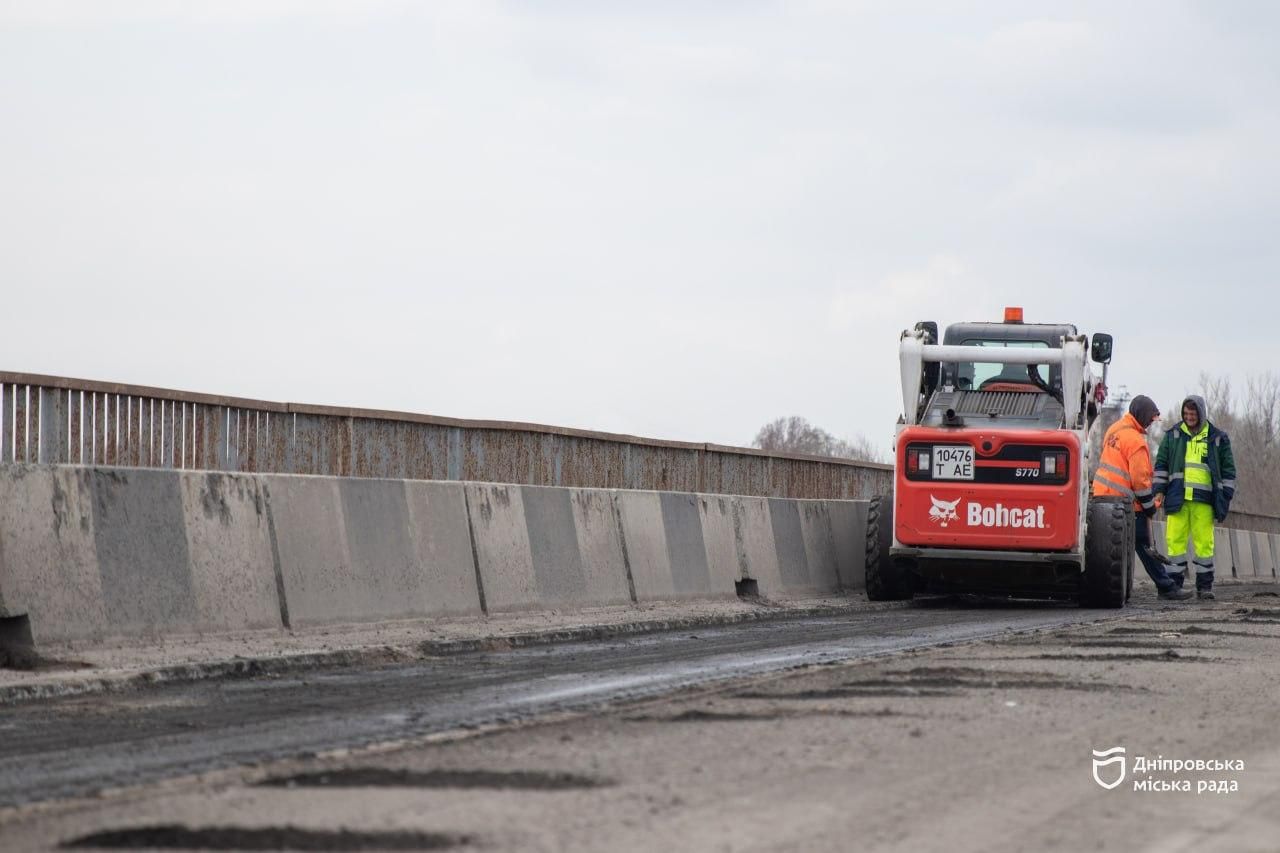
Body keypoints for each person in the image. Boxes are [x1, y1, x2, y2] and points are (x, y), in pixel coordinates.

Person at [1093, 395, 1192, 601]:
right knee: (1145, 545)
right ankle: (1167, 587)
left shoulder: (1114, 430)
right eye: (1150, 419)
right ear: (1142, 415)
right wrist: (1149, 507)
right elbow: (1140, 482)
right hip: (1124, 503)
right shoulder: (1136, 442)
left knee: (1110, 547)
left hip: (1101, 496)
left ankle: (1124, 586)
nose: (1150, 423)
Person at [1154, 395, 1237, 601]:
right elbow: (1161, 465)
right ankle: (1174, 587)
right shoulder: (1172, 435)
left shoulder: (1217, 438)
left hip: (1204, 501)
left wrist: (1226, 496)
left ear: (1201, 413)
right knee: (1175, 543)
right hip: (1177, 499)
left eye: (1192, 414)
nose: (1189, 417)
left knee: (1204, 545)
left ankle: (1205, 587)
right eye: (1186, 414)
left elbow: (1228, 470)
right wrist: (1159, 490)